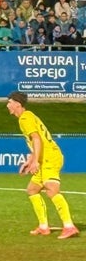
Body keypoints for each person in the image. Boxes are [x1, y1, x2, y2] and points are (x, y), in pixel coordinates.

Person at [6, 91, 79, 239]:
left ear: (17, 104)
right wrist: (31, 160)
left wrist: (34, 161)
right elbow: (36, 141)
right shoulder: (28, 116)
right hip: (43, 158)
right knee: (32, 190)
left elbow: (37, 139)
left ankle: (69, 226)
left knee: (51, 190)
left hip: (49, 158)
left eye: (9, 102)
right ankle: (43, 227)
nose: (7, 105)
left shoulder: (25, 118)